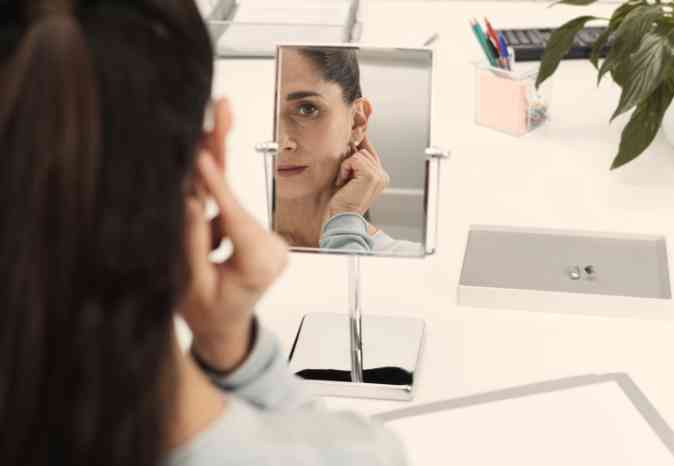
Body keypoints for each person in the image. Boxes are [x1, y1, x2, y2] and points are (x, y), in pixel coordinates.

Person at [0, 2, 406, 466]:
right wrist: (233, 350)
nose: (288, 139)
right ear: (211, 153)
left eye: (307, 109)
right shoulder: (359, 455)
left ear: (358, 119)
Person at [276, 47, 424, 255]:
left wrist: (345, 217)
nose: (282, 141)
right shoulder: (222, 256)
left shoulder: (408, 263)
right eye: (265, 110)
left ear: (356, 122)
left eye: (307, 109)